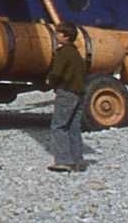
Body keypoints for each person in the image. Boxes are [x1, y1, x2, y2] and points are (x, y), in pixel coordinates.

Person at [46, 22, 89, 172]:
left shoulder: (63, 53)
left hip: (66, 92)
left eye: (58, 33)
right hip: (79, 92)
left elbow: (56, 73)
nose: (56, 35)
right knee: (74, 127)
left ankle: (63, 161)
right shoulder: (76, 53)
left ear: (65, 36)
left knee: (59, 127)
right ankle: (78, 160)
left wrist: (50, 82)